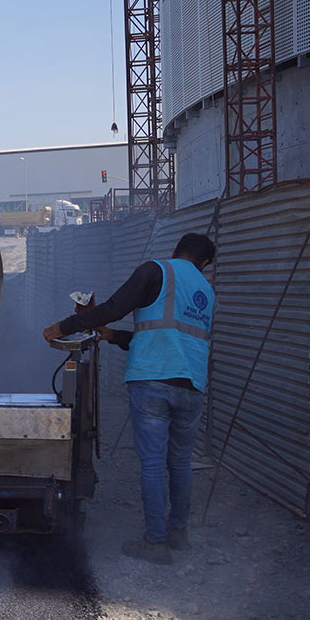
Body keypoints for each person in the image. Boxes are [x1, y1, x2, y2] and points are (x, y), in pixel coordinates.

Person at [42, 232, 217, 565]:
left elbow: (113, 307)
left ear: (176, 251)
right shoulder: (208, 292)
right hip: (192, 385)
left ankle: (155, 543)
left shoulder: (156, 270)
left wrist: (64, 326)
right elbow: (168, 333)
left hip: (153, 380)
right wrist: (115, 337)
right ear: (204, 264)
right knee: (180, 463)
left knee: (152, 465)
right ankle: (178, 534)